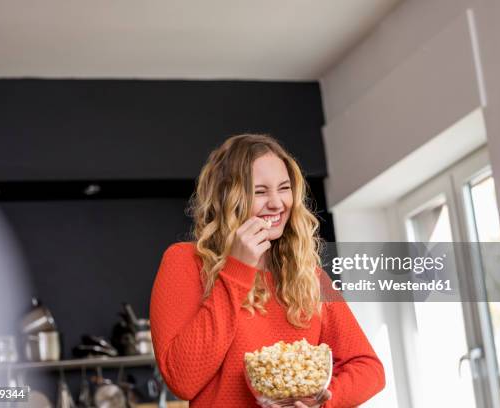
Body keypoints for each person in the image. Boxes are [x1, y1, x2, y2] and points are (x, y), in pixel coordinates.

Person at [150, 134, 385, 407]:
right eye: (260, 191)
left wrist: (320, 402)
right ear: (228, 198)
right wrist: (237, 269)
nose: (277, 203)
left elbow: (369, 368)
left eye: (284, 188)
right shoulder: (186, 262)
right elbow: (182, 380)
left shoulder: (308, 276)